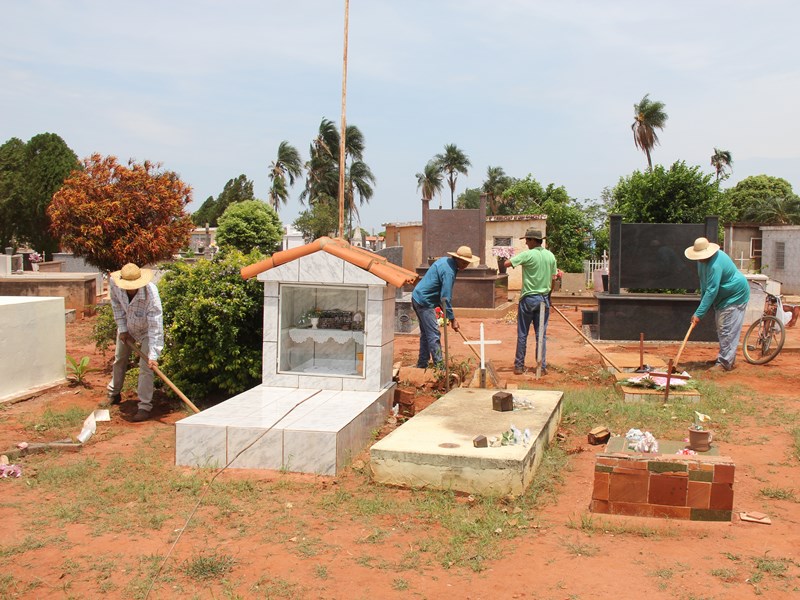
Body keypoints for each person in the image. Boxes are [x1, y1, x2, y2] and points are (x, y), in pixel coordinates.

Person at [107, 263, 164, 421]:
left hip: (146, 330)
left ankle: (144, 406)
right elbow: (116, 305)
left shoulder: (151, 294)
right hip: (127, 327)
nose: (130, 289)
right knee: (119, 359)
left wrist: (153, 355)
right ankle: (114, 393)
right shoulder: (115, 283)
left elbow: (155, 327)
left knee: (146, 367)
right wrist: (123, 329)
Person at [684, 237, 750, 372]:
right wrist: (702, 307)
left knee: (727, 329)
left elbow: (712, 289)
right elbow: (704, 285)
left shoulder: (715, 264)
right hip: (722, 298)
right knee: (722, 329)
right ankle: (725, 358)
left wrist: (699, 313)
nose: (699, 258)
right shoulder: (701, 262)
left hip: (734, 296)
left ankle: (725, 363)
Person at [411, 245, 479, 368]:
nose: (466, 265)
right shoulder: (449, 272)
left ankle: (422, 363)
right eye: (464, 262)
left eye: (467, 263)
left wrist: (451, 317)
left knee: (427, 334)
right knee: (433, 334)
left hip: (419, 297)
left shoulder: (445, 261)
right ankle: (440, 368)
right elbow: (445, 298)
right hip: (424, 302)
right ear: (457, 259)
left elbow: (440, 295)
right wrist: (452, 319)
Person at [505, 228, 557, 375]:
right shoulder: (550, 256)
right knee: (541, 335)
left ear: (534, 240)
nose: (526, 243)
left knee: (523, 333)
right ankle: (542, 366)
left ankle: (519, 366)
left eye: (527, 240)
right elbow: (553, 279)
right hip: (544, 299)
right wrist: (549, 296)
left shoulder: (527, 255)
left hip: (528, 299)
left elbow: (507, 264)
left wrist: (511, 256)